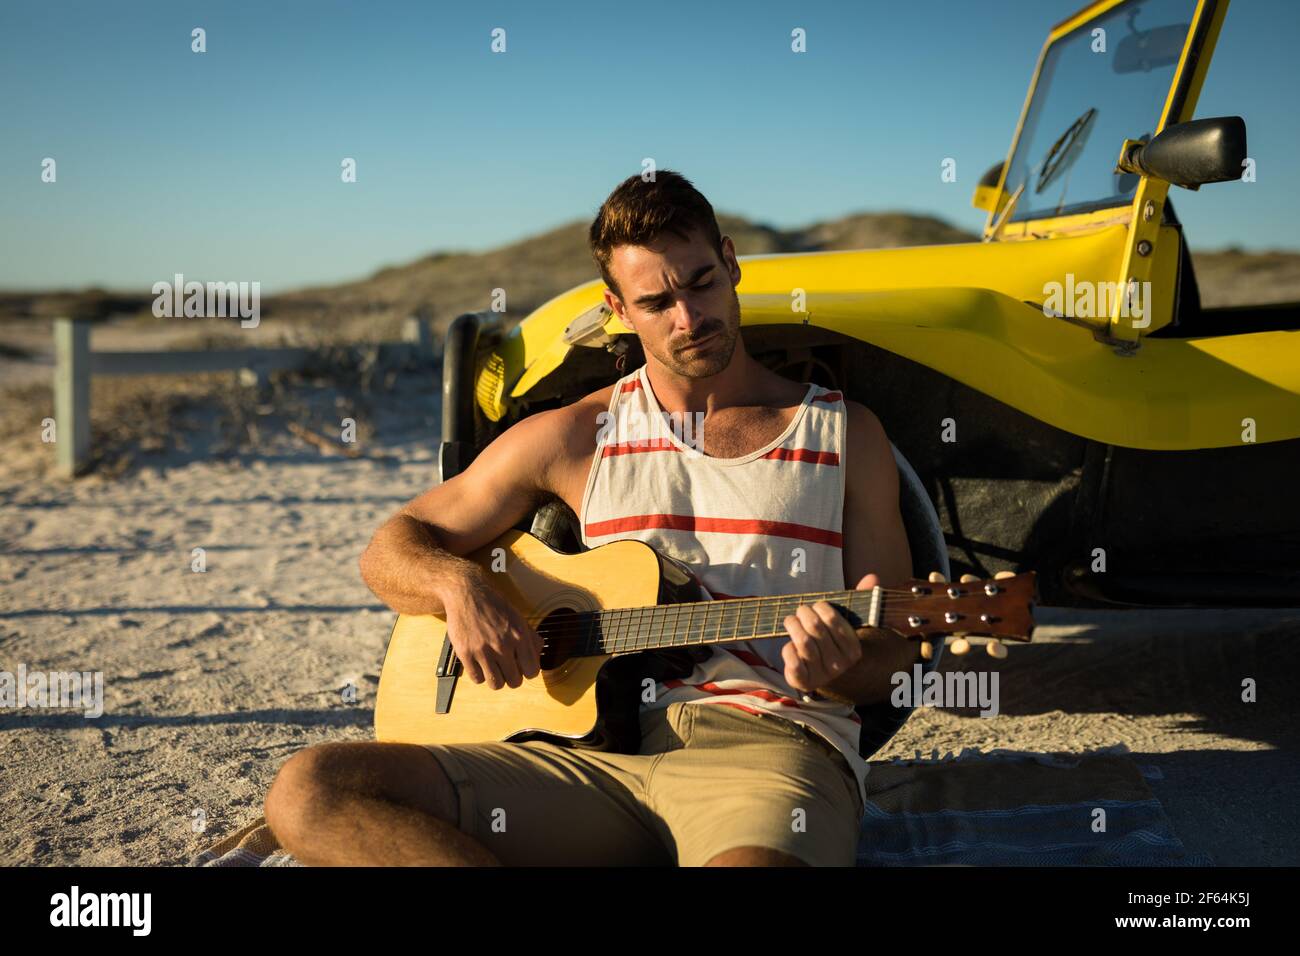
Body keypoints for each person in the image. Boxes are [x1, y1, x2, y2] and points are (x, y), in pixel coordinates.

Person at [264, 169, 924, 866]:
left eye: (701, 283)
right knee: (312, 791)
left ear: (731, 263)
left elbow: (895, 653)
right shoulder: (579, 435)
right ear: (617, 308)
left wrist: (838, 669)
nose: (688, 318)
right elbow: (392, 546)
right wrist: (460, 591)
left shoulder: (844, 433)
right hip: (584, 754)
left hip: (765, 755)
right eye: (656, 301)